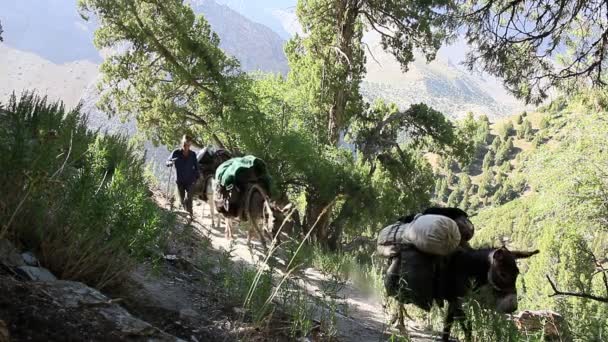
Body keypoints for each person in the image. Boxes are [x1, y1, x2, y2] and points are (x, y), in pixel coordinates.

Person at [167, 135, 199, 221]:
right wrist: (170, 162)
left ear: (190, 145)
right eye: (185, 145)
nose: (186, 147)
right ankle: (186, 214)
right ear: (182, 144)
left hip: (190, 181)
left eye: (188, 145)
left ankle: (190, 216)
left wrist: (196, 177)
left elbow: (196, 167)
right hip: (180, 181)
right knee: (182, 199)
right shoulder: (176, 152)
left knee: (189, 199)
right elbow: (168, 160)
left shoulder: (193, 154)